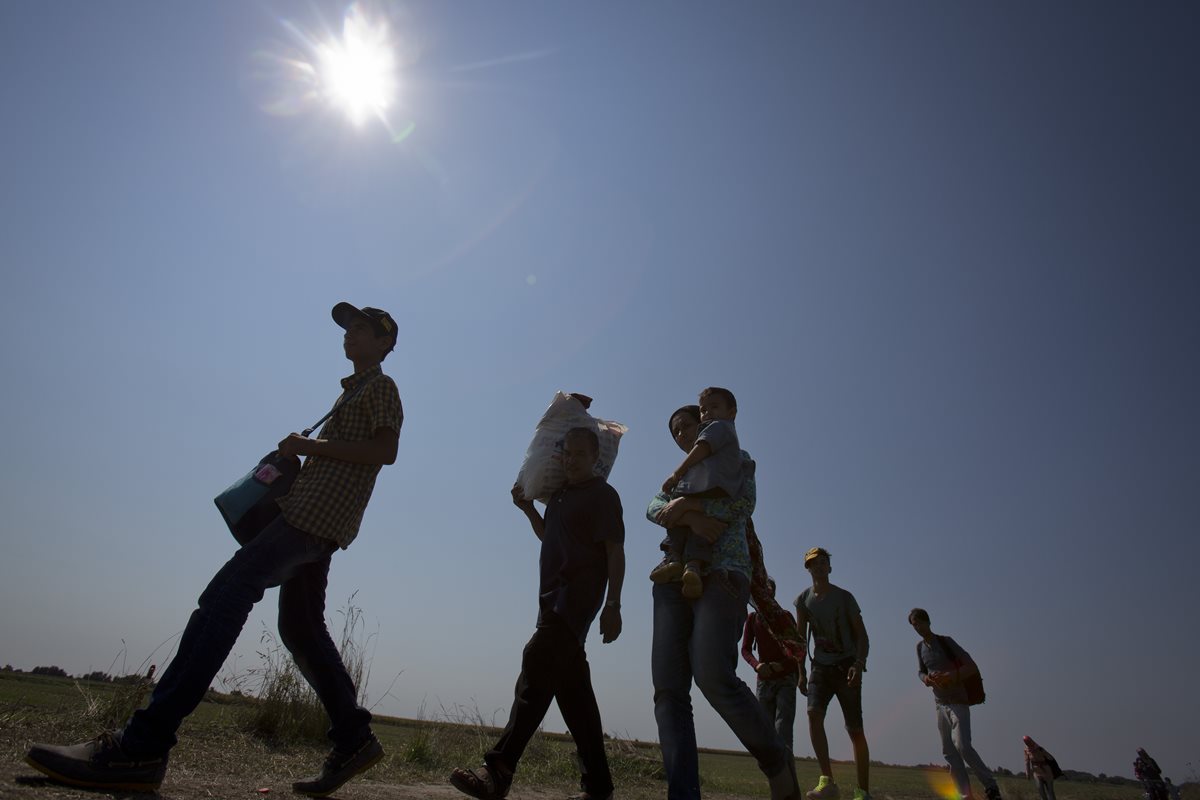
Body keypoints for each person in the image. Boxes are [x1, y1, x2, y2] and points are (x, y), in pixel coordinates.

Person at [26, 302, 404, 796]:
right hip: (311, 520)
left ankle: (141, 747)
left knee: (224, 595)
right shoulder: (351, 393)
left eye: (362, 328)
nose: (350, 334)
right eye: (347, 327)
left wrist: (309, 448)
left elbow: (385, 451)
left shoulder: (382, 387)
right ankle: (354, 739)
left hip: (312, 522)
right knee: (301, 628)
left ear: (384, 344)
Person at [450, 427, 625, 800]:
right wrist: (529, 509)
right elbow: (551, 537)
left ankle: (499, 768)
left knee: (536, 661)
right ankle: (599, 787)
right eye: (568, 453)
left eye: (580, 453)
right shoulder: (559, 496)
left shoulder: (604, 496)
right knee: (573, 694)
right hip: (550, 598)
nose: (572, 459)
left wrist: (614, 604)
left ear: (595, 457)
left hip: (576, 600)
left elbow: (614, 551)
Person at [648, 403, 803, 800]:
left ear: (706, 426)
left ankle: (775, 760)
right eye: (675, 431)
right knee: (668, 688)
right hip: (673, 581)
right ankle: (683, 794)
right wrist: (685, 513)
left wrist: (687, 509)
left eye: (687, 426)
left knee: (713, 675)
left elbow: (741, 504)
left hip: (724, 575)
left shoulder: (737, 460)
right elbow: (652, 507)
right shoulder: (679, 478)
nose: (682, 434)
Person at [796, 548, 872, 800]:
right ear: (807, 569)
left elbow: (861, 635)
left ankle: (862, 791)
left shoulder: (844, 598)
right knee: (813, 715)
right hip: (820, 667)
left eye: (823, 562)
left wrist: (858, 664)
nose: (818, 567)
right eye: (813, 564)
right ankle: (827, 782)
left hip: (847, 666)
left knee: (855, 729)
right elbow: (799, 639)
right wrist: (800, 672)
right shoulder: (803, 600)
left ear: (830, 567)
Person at [909, 608, 1003, 800]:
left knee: (963, 746)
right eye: (913, 625)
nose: (917, 627)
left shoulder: (946, 642)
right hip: (939, 704)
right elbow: (920, 671)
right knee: (949, 752)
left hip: (958, 701)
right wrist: (926, 679)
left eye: (919, 622)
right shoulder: (920, 648)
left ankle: (991, 787)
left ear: (928, 622)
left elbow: (971, 666)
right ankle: (964, 795)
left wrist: (950, 676)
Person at [742, 579, 802, 755]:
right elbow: (745, 649)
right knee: (765, 728)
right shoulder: (752, 619)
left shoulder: (785, 616)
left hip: (786, 679)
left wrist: (781, 665)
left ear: (774, 593)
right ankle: (773, 774)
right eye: (762, 589)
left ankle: (786, 769)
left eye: (769, 589)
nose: (766, 592)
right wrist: (757, 665)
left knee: (783, 726)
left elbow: (798, 650)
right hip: (764, 680)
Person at [1022, 735, 1061, 800]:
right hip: (1037, 773)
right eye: (1026, 742)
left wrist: (1043, 753)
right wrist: (1027, 773)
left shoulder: (1039, 748)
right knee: (1041, 791)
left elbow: (1050, 758)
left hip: (1046, 772)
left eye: (1028, 741)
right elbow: (1027, 762)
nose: (1028, 743)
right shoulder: (1026, 750)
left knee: (1050, 792)